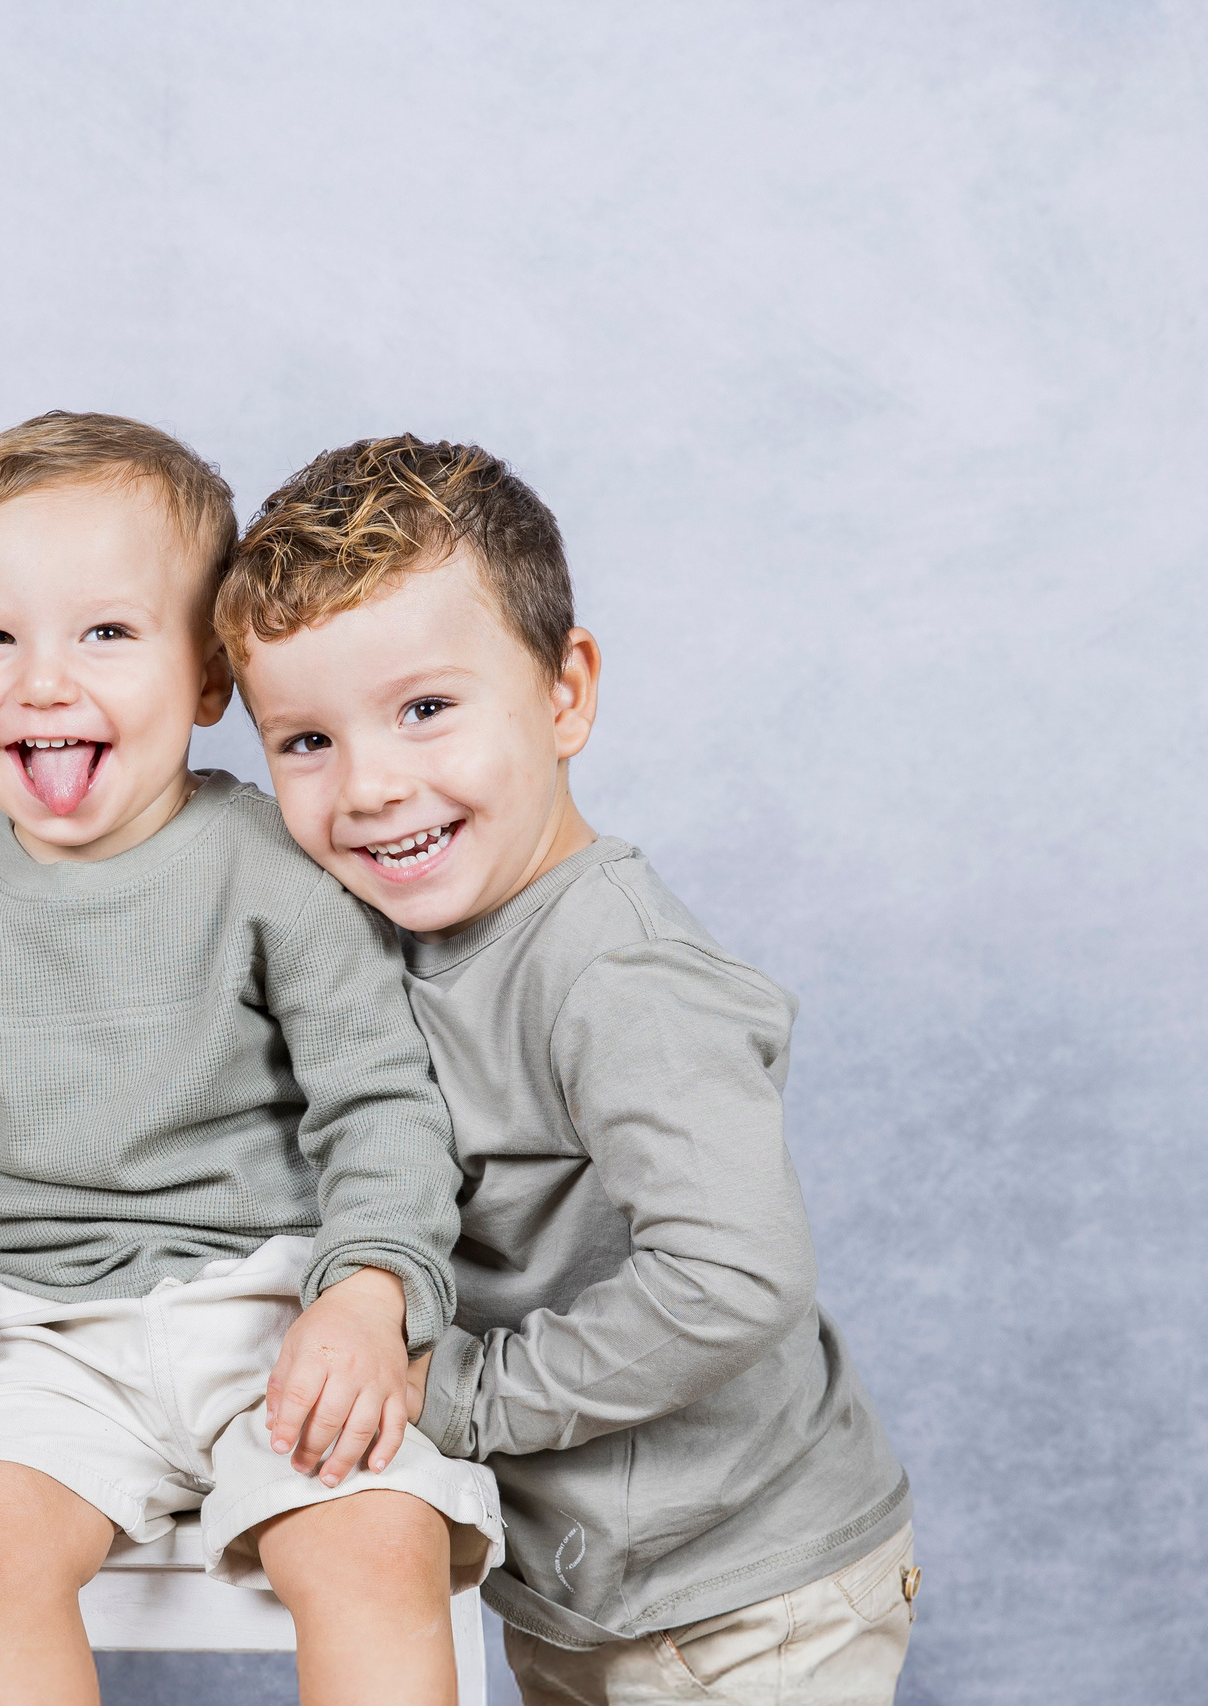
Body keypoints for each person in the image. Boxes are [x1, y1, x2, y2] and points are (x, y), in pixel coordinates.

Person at [220, 436, 918, 1705]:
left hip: (750, 1596)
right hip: (579, 1591)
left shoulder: (614, 973)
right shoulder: (370, 942)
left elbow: (732, 1277)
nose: (372, 784)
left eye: (426, 708)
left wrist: (463, 1396)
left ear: (565, 691)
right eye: (306, 739)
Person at [0, 412, 504, 1706]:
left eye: (105, 632)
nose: (42, 681)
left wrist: (371, 1291)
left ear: (209, 675)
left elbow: (380, 1105)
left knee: (375, 1539)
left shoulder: (273, 868)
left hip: (276, 1306)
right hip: (35, 1333)